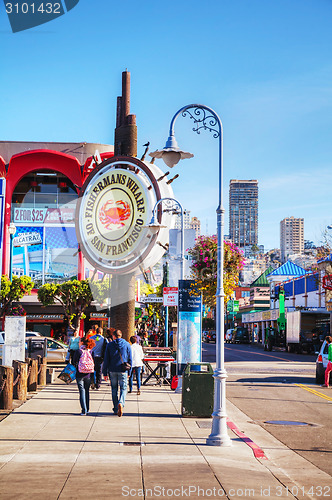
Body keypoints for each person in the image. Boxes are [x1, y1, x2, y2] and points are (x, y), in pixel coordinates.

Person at [102, 329, 132, 417]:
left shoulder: (110, 345)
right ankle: (121, 403)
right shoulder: (127, 344)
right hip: (123, 369)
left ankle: (115, 408)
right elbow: (130, 359)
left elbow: (106, 359)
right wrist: (129, 371)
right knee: (123, 388)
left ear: (113, 336)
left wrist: (105, 373)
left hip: (112, 370)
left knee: (114, 389)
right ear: (121, 335)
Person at [72, 336, 95, 415]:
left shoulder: (79, 351)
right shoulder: (91, 351)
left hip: (79, 374)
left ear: (81, 342)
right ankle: (87, 409)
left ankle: (83, 410)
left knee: (82, 391)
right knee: (87, 391)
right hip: (88, 374)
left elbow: (74, 361)